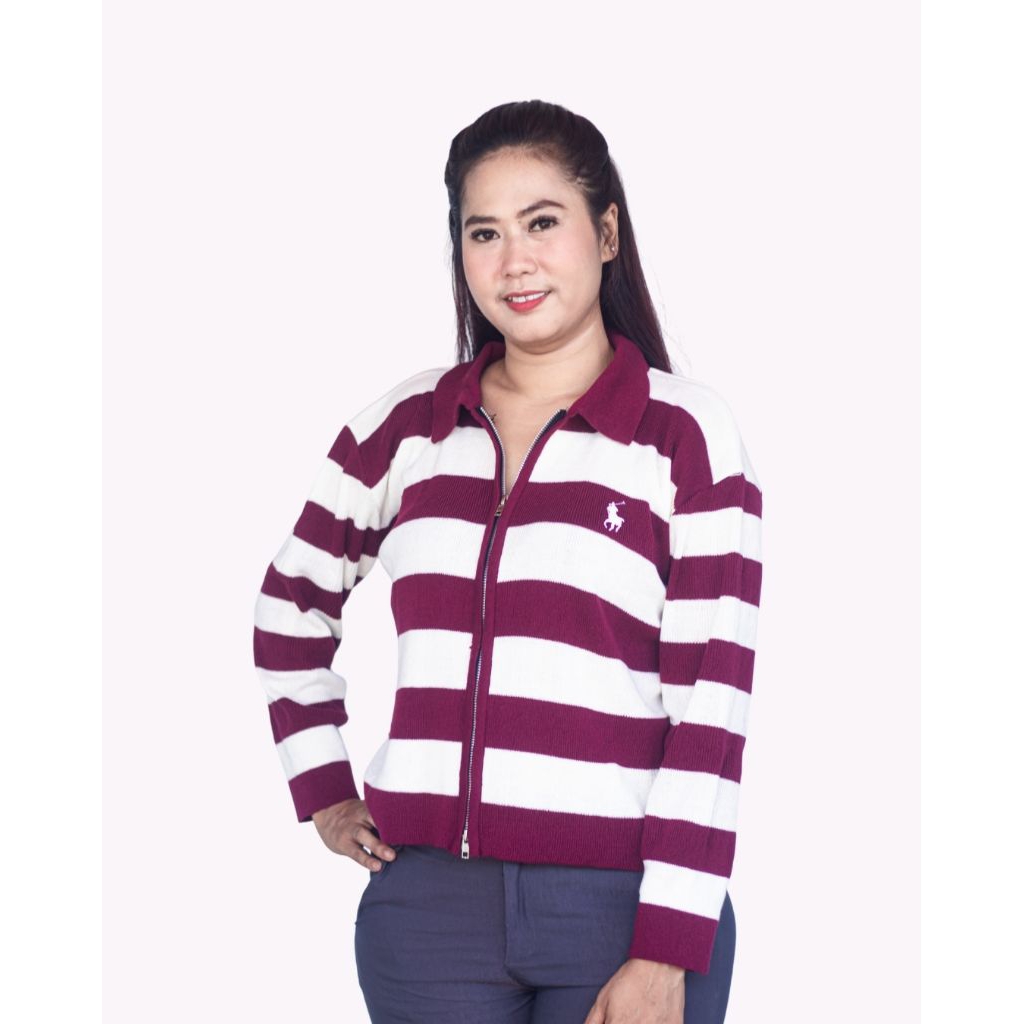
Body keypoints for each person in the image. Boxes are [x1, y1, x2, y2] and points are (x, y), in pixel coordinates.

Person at [252, 99, 763, 1024]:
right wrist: (324, 790)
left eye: (542, 222)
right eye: (483, 232)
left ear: (606, 233)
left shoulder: (684, 436)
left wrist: (667, 947)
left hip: (623, 906)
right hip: (427, 917)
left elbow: (711, 708)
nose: (514, 261)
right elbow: (289, 607)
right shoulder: (406, 429)